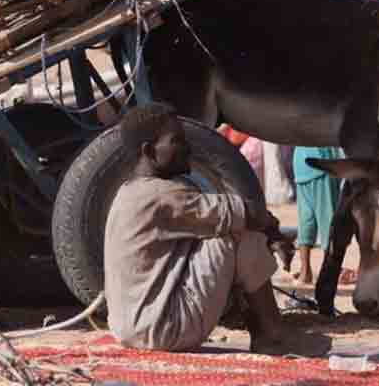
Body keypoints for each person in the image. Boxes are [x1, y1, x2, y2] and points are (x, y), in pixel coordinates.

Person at [104, 104, 326, 355]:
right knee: (240, 233)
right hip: (162, 330)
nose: (187, 147)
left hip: (130, 330)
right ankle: (273, 335)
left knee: (221, 230)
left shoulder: (128, 192)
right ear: (149, 152)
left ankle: (259, 326)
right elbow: (247, 214)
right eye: (176, 140)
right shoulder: (161, 196)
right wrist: (273, 233)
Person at [292, 146, 343, 285]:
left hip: (300, 162)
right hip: (321, 163)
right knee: (329, 223)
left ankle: (305, 272)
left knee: (305, 220)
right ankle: (330, 273)